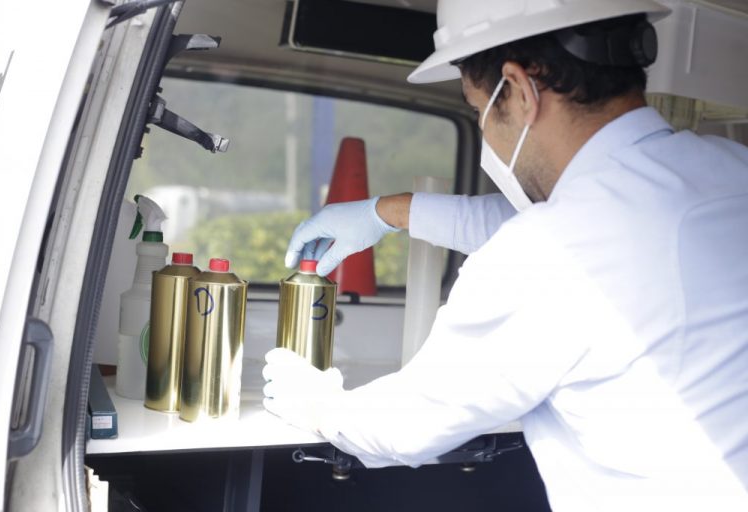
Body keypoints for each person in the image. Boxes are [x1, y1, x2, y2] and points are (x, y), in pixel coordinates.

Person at [263, 0, 748, 510]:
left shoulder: (548, 250)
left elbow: (408, 424)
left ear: (517, 89)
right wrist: (386, 212)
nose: (484, 130)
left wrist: (317, 405)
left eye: (477, 110)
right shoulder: (731, 171)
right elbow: (577, 225)